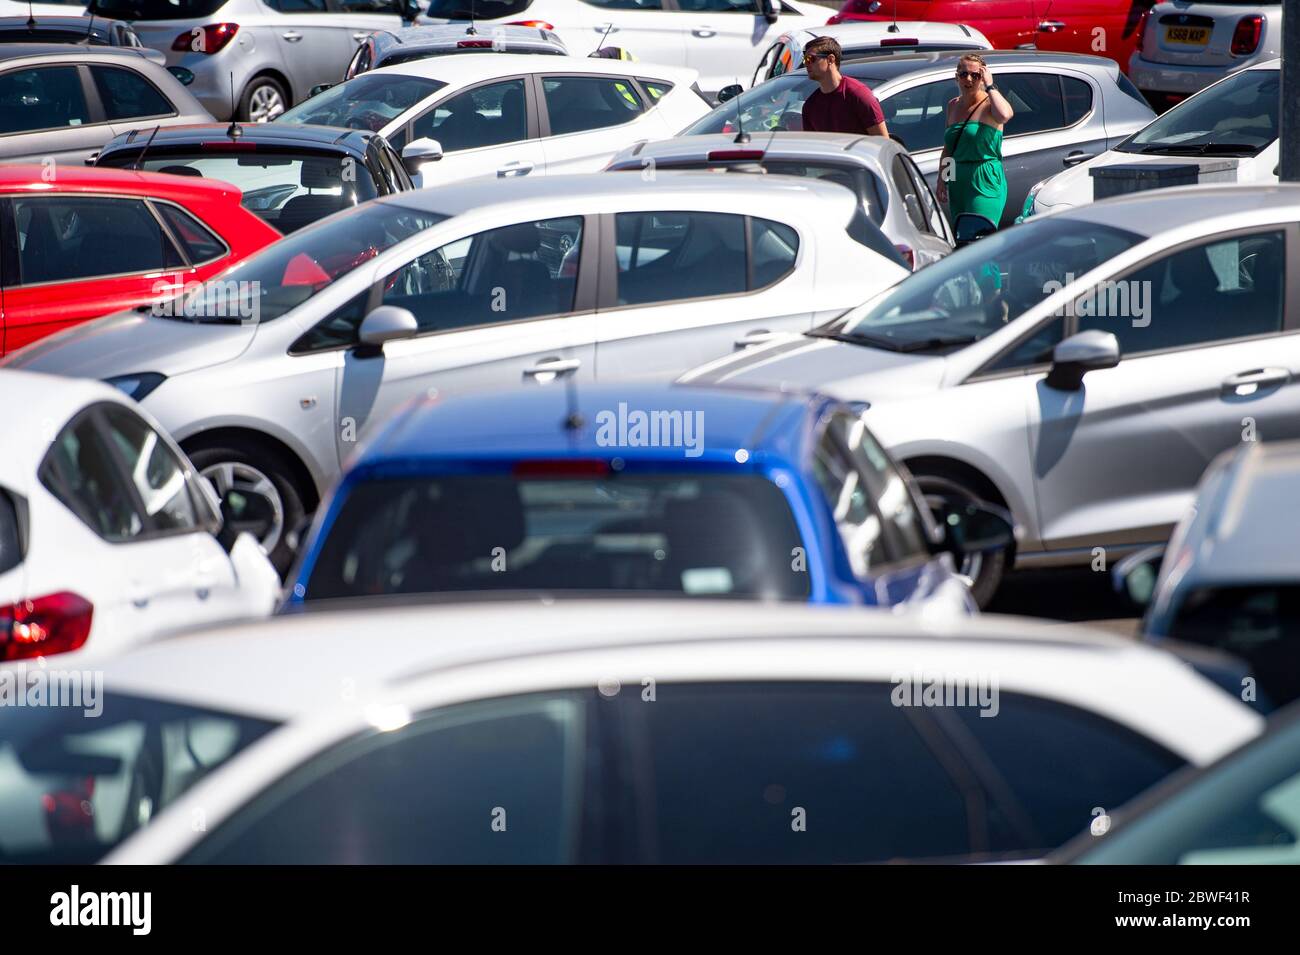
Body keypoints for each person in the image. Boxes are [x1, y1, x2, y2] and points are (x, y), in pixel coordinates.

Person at [936, 53, 1013, 228]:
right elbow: (949, 148)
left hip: (984, 177)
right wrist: (943, 180)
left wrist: (990, 85)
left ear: (982, 77)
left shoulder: (989, 104)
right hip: (959, 181)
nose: (969, 79)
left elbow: (1005, 115)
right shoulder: (952, 105)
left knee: (979, 235)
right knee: (963, 239)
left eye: (975, 75)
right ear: (957, 77)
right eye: (964, 74)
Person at [799, 37, 888, 137]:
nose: (806, 64)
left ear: (830, 59)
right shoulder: (810, 106)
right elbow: (813, 147)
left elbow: (883, 143)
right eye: (805, 60)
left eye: (810, 59)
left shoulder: (858, 94)